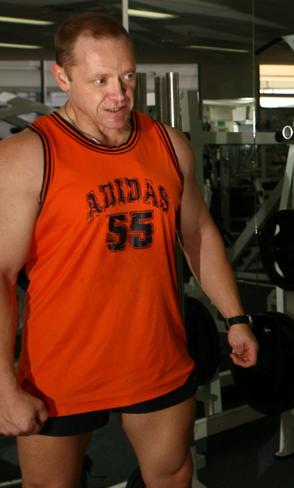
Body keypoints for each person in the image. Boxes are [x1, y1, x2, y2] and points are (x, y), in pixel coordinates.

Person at [0, 11, 258, 487]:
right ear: (63, 77)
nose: (118, 94)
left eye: (126, 76)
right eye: (99, 80)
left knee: (174, 475)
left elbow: (198, 233)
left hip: (155, 356)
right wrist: (1, 385)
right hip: (60, 368)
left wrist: (235, 318)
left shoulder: (168, 144)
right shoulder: (27, 156)